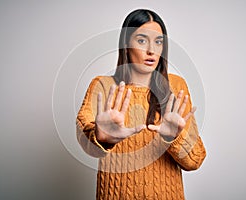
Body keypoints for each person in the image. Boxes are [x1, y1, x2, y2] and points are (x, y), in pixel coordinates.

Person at [76, 8, 206, 200]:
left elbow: (195, 160)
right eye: (142, 40)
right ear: (126, 43)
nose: (151, 50)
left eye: (158, 41)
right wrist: (101, 138)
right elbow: (85, 138)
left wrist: (173, 139)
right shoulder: (103, 86)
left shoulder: (176, 86)